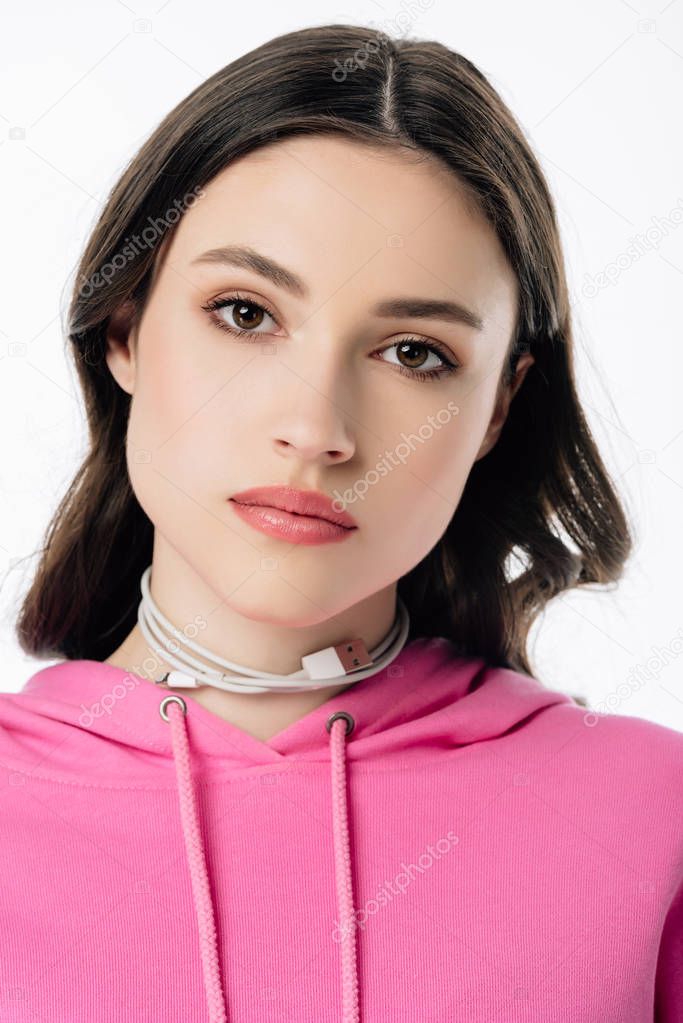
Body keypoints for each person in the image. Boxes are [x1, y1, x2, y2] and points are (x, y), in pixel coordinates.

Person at [1, 23, 680, 1023]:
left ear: (496, 408)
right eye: (243, 313)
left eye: (413, 353)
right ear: (125, 328)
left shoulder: (649, 819)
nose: (316, 430)